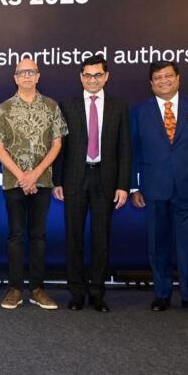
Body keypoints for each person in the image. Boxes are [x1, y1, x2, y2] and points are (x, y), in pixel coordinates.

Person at [130, 60, 188, 315]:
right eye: (157, 78)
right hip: (153, 189)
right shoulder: (139, 112)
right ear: (151, 84)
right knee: (158, 245)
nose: (163, 81)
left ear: (178, 78)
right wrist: (134, 187)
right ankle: (162, 294)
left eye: (168, 76)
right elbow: (132, 152)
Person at [53, 54, 131, 313]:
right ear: (81, 77)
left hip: (105, 179)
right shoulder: (68, 105)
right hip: (74, 178)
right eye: (88, 75)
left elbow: (125, 148)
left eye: (98, 75)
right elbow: (60, 147)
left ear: (106, 77)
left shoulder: (119, 106)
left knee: (101, 239)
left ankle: (97, 293)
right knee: (73, 238)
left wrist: (123, 185)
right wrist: (57, 181)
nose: (93, 79)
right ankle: (76, 292)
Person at [0, 58, 67, 310]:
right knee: (15, 235)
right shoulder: (5, 108)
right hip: (14, 182)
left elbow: (57, 144)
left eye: (31, 72)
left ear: (38, 76)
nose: (26, 76)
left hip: (42, 181)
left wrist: (35, 174)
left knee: (38, 236)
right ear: (15, 78)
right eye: (22, 72)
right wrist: (23, 176)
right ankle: (15, 289)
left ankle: (37, 289)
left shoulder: (51, 106)